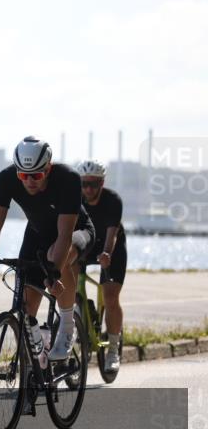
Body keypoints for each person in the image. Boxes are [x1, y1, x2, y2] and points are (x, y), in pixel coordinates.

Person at [0, 136, 95, 362]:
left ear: (48, 167)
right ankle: (34, 360)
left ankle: (66, 326)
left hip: (76, 231)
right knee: (25, 307)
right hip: (37, 233)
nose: (29, 181)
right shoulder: (6, 179)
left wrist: (53, 274)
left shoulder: (68, 179)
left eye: (36, 175)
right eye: (23, 175)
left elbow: (64, 234)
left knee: (57, 257)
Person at [78, 159, 126, 372]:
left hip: (111, 246)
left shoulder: (112, 200)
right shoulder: (76, 199)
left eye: (93, 184)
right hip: (87, 244)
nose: (88, 189)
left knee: (110, 296)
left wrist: (106, 253)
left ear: (102, 183)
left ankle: (113, 350)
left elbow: (112, 234)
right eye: (84, 184)